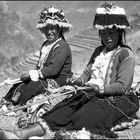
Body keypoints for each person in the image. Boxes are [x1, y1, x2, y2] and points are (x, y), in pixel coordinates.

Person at [0, 3, 139, 139]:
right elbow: (86, 74)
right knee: (61, 110)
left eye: (111, 33)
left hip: (115, 99)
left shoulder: (126, 54)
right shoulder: (98, 51)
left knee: (88, 114)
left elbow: (122, 86)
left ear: (120, 32)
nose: (107, 37)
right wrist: (78, 81)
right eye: (103, 33)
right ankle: (21, 134)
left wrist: (99, 89)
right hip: (91, 92)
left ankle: (71, 134)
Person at [0, 6, 73, 107]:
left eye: (52, 28)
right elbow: (40, 65)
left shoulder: (62, 46)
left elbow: (53, 70)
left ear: (59, 28)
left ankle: (20, 106)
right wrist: (30, 75)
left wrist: (33, 75)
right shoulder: (46, 44)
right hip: (45, 75)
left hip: (58, 79)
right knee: (21, 83)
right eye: (47, 28)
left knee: (35, 85)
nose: (49, 31)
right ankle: (7, 100)